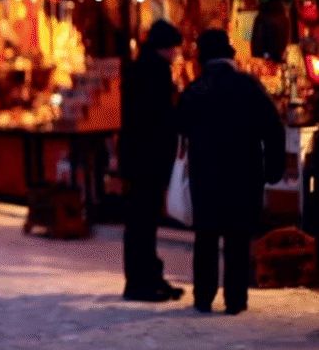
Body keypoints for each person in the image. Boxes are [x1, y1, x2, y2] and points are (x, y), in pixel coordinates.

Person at [177, 29, 285, 315]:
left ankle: (204, 296)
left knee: (206, 236)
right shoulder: (248, 86)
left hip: (206, 173)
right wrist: (273, 169)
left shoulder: (195, 90)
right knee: (238, 236)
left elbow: (181, 127)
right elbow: (272, 128)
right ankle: (235, 300)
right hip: (243, 172)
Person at [119, 20, 186, 302]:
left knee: (140, 220)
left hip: (136, 155)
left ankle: (146, 277)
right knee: (144, 221)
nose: (175, 54)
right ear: (165, 47)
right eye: (173, 49)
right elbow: (160, 117)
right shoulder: (156, 71)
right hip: (148, 156)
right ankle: (142, 282)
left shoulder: (138, 67)